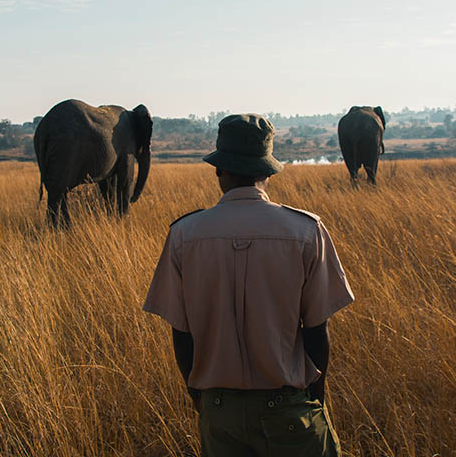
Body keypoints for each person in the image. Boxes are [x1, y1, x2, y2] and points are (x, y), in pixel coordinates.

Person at [143, 113, 355, 457]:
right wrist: (316, 399)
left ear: (218, 171)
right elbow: (317, 330)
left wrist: (201, 399)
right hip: (289, 408)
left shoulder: (184, 234)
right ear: (268, 172)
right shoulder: (305, 231)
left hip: (219, 410)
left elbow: (181, 334)